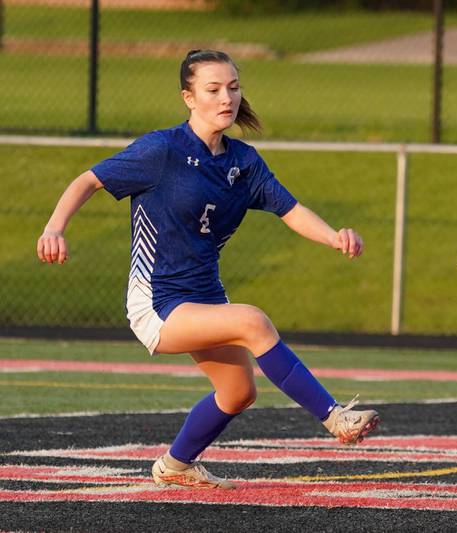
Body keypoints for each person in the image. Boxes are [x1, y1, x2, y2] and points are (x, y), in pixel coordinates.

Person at [37, 49, 380, 490]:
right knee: (252, 320)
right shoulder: (161, 150)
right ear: (188, 97)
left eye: (233, 88)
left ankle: (175, 466)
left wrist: (333, 235)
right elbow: (88, 180)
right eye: (213, 89)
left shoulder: (244, 161)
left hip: (205, 296)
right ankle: (335, 418)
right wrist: (54, 228)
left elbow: (290, 210)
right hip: (158, 302)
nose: (227, 98)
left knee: (239, 393)